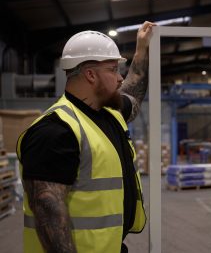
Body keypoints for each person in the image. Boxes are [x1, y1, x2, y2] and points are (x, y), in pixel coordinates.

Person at [17, 21, 155, 253]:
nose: (120, 78)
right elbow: (49, 218)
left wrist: (142, 48)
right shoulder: (55, 131)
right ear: (90, 74)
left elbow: (133, 93)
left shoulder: (108, 114)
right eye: (113, 70)